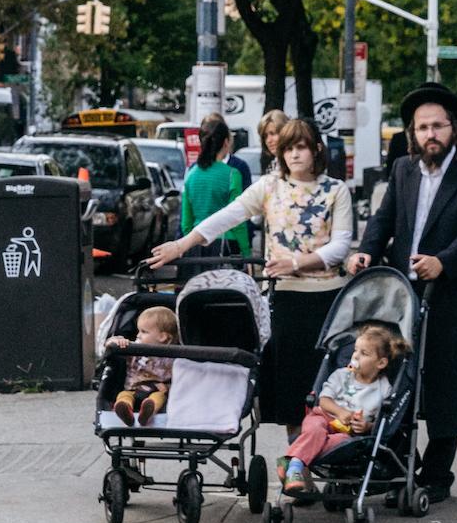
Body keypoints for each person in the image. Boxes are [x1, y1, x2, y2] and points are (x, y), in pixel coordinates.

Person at [148, 117, 354, 434]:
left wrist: (296, 263)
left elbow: (340, 245)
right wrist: (181, 244)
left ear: (316, 150)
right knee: (292, 389)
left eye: (301, 147)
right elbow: (228, 216)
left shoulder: (336, 190)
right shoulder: (269, 187)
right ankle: (299, 463)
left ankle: (328, 456)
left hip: (330, 298)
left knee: (329, 383)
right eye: (288, 149)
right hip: (287, 297)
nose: (295, 155)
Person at [348, 82, 457, 503]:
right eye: (422, 127)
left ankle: (436, 474)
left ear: (454, 129)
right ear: (413, 132)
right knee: (392, 376)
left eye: (438, 126)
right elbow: (385, 218)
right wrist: (366, 251)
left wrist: (443, 261)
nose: (430, 134)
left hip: (451, 293)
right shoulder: (403, 171)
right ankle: (400, 465)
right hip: (401, 294)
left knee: (448, 383)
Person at [281, 325, 408, 492]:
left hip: (347, 433)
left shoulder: (383, 389)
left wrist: (367, 426)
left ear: (381, 363)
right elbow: (324, 400)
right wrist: (340, 412)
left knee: (344, 444)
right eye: (356, 350)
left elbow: (381, 419)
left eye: (364, 353)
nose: (355, 356)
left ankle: (291, 460)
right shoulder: (342, 375)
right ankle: (295, 465)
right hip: (323, 417)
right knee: (315, 431)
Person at [180, 117, 250, 256]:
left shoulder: (191, 174)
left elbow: (186, 222)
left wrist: (189, 244)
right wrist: (246, 252)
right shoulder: (232, 174)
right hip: (227, 246)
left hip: (195, 243)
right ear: (226, 142)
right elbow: (237, 220)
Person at [105, 305, 179, 425]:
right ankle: (125, 409)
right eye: (139, 331)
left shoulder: (173, 356)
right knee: (123, 395)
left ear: (162, 337)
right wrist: (116, 341)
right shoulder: (134, 349)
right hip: (133, 389)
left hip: (156, 390)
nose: (138, 335)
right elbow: (109, 345)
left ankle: (148, 412)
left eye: (144, 332)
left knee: (159, 397)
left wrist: (168, 387)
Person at [257, 109, 290, 177]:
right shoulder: (273, 165)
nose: (269, 140)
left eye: (273, 133)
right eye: (265, 136)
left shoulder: (295, 163)